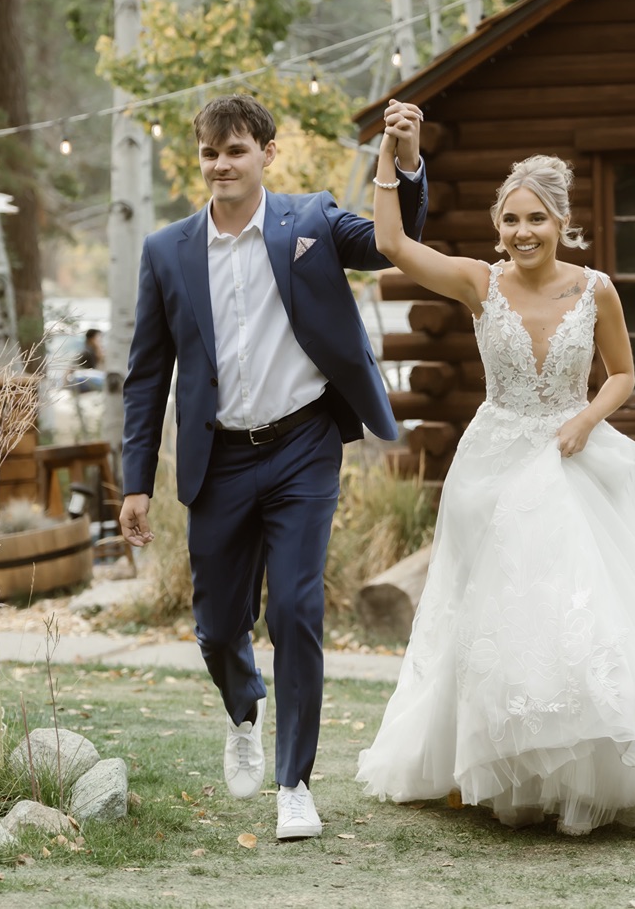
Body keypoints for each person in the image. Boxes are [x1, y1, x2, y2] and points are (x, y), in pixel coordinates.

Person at [355, 147, 635, 835]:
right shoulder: (477, 283)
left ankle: (578, 766)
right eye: (512, 219)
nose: (524, 232)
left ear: (561, 222)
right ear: (498, 227)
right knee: (492, 619)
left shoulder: (595, 289)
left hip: (571, 457)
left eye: (538, 219)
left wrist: (585, 418)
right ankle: (495, 764)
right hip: (493, 466)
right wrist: (391, 159)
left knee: (577, 613)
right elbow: (391, 241)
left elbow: (623, 374)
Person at [119, 94, 429, 840]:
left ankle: (295, 782)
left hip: (303, 448)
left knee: (295, 609)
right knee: (217, 626)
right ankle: (243, 707)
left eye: (235, 150)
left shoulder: (312, 223)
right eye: (209, 153)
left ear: (266, 153)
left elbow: (395, 240)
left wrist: (407, 162)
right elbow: (145, 374)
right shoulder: (167, 251)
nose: (221, 165)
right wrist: (133, 481)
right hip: (217, 458)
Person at [67, 329, 105, 394]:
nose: (100, 341)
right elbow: (70, 369)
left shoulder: (92, 352)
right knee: (105, 380)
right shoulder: (86, 352)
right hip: (78, 380)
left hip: (82, 380)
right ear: (92, 339)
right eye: (99, 338)